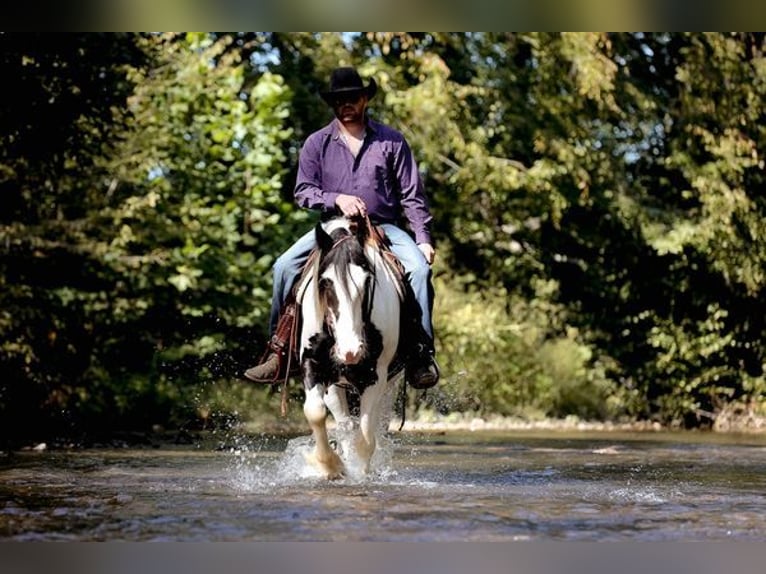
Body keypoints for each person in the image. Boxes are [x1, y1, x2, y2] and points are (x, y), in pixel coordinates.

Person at [244, 66, 439, 389]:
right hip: (333, 227)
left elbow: (412, 195)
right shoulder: (316, 143)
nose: (346, 105)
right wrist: (337, 199)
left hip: (383, 226)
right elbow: (303, 192)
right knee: (282, 267)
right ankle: (280, 352)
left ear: (365, 99)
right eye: (340, 100)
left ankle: (421, 354)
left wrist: (423, 238)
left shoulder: (391, 141)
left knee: (418, 270)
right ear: (333, 104)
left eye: (353, 98)